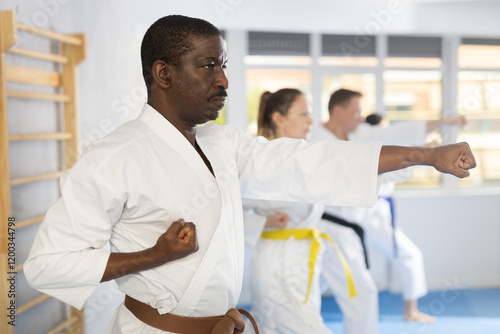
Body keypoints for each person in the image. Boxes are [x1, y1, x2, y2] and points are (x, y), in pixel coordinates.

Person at [24, 16, 476, 334]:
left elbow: (308, 163)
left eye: (223, 66)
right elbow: (47, 264)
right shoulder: (112, 157)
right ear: (162, 73)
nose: (222, 80)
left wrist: (424, 154)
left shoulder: (223, 144)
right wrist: (154, 255)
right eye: (207, 66)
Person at [311, 88, 467, 327]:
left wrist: (434, 141)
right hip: (329, 226)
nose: (361, 117)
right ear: (337, 111)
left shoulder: (358, 133)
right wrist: (426, 153)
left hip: (350, 228)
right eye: (356, 111)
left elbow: (396, 132)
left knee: (316, 287)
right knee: (358, 294)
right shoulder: (315, 138)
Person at [243, 88, 354, 333]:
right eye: (303, 114)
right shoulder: (259, 161)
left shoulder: (308, 156)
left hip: (302, 256)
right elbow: (226, 209)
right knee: (301, 326)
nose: (311, 121)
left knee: (274, 326)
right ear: (279, 119)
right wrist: (264, 223)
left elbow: (347, 172)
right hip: (277, 260)